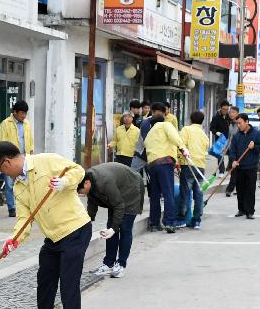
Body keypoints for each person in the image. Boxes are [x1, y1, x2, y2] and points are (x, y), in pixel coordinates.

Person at [0, 141, 91, 309]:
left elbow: (78, 171)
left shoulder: (46, 161)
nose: (4, 174)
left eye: (1, 169)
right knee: (45, 280)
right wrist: (13, 240)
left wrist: (65, 182)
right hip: (53, 237)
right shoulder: (19, 185)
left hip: (74, 229)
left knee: (68, 282)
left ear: (6, 162)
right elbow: (24, 218)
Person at [78, 162, 145, 278]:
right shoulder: (88, 178)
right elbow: (92, 201)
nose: (80, 194)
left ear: (86, 183)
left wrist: (114, 228)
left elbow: (119, 205)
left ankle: (121, 265)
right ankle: (108, 264)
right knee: (110, 229)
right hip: (118, 192)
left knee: (124, 228)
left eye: (80, 192)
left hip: (132, 189)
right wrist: (88, 221)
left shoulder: (104, 182)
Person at [144, 102, 190, 233]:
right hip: (165, 163)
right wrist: (183, 148)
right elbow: (175, 137)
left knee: (155, 195)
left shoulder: (150, 132)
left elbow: (146, 146)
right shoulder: (167, 125)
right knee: (168, 193)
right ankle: (169, 222)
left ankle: (154, 223)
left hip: (152, 166)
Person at [0, 100, 34, 217]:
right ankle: (11, 208)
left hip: (25, 158)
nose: (24, 116)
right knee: (9, 184)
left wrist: (31, 153)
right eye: (22, 113)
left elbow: (30, 140)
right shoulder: (5, 124)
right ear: (15, 112)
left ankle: (25, 206)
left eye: (25, 113)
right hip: (10, 159)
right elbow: (2, 141)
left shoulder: (27, 124)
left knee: (26, 182)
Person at [229, 113, 260, 219]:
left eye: (240, 123)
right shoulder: (236, 135)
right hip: (239, 166)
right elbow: (232, 150)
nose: (238, 125)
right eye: (237, 123)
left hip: (251, 166)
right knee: (240, 189)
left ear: (246, 122)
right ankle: (241, 209)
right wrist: (233, 160)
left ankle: (250, 211)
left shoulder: (256, 134)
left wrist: (254, 147)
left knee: (250, 189)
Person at [179, 111, 210, 230]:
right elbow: (206, 148)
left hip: (188, 165)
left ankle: (181, 219)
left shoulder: (186, 130)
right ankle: (197, 220)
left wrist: (178, 161)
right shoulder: (204, 134)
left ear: (191, 119)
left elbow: (181, 145)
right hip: (201, 166)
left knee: (186, 193)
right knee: (198, 194)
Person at [209, 101, 231, 177]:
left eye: (227, 109)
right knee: (220, 155)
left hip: (229, 139)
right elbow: (212, 128)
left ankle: (229, 167)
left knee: (231, 154)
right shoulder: (216, 117)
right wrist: (217, 133)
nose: (225, 111)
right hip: (220, 139)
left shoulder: (229, 117)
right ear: (221, 108)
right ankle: (221, 171)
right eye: (224, 109)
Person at [224, 105, 240, 197]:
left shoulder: (240, 123)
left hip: (239, 150)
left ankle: (230, 189)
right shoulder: (230, 124)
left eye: (233, 112)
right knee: (233, 170)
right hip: (232, 151)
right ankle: (232, 188)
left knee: (235, 170)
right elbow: (230, 138)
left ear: (237, 113)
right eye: (230, 112)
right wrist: (226, 147)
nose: (231, 114)